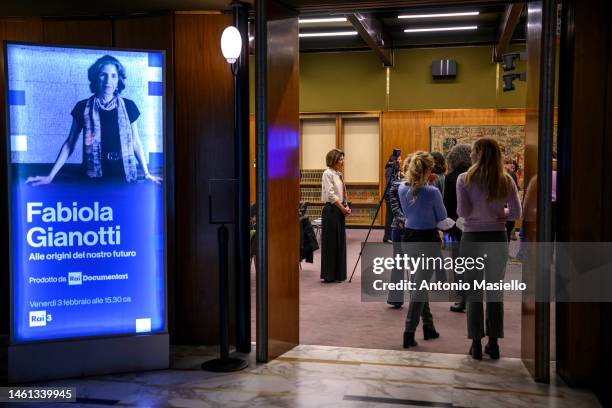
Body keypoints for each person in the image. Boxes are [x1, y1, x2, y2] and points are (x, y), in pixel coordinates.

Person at [25, 55, 161, 186]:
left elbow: (136, 142)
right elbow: (69, 144)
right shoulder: (82, 107)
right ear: (96, 78)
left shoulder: (129, 106)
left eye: (113, 75)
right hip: (92, 179)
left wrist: (147, 173)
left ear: (118, 80)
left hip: (123, 178)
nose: (108, 80)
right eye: (103, 75)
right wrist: (50, 176)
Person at [457, 137, 521, 360]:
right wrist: (497, 215)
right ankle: (494, 343)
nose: (471, 155)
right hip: (497, 236)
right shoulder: (506, 180)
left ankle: (475, 343)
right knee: (495, 291)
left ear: (479, 154)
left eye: (473, 151)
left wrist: (479, 215)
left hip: (472, 238)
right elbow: (515, 213)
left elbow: (463, 212)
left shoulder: (464, 179)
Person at [398, 151, 447, 348]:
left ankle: (429, 326)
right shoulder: (432, 192)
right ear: (428, 170)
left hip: (409, 237)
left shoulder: (402, 189)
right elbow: (442, 216)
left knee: (419, 281)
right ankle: (409, 331)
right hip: (428, 238)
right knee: (419, 285)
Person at [443, 144, 472, 313]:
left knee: (458, 264)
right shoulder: (476, 176)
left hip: (455, 224)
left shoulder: (451, 177)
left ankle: (462, 298)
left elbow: (447, 205)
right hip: (474, 224)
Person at [320, 149, 350, 283]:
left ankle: (339, 273)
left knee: (340, 242)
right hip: (331, 210)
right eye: (341, 159)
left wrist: (346, 205)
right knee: (331, 243)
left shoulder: (338, 174)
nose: (343, 162)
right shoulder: (327, 174)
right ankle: (329, 274)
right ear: (333, 160)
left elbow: (342, 192)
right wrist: (342, 208)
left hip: (339, 209)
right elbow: (331, 195)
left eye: (343, 159)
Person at [383, 151, 402, 243]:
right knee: (390, 216)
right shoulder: (390, 168)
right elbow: (389, 182)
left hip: (393, 193)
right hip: (389, 194)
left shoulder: (396, 168)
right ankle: (387, 236)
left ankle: (389, 235)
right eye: (399, 159)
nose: (400, 161)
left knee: (392, 215)